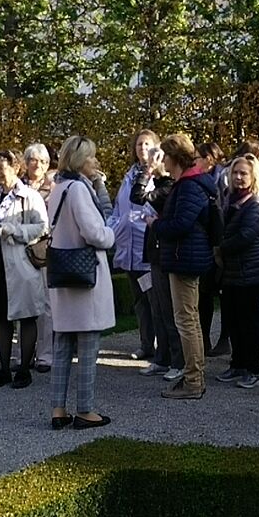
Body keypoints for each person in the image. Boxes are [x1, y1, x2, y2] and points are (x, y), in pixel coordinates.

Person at [48, 135, 117, 430]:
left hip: (64, 275)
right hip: (85, 276)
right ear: (79, 160)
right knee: (88, 346)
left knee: (63, 344)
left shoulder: (59, 188)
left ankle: (58, 408)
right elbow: (94, 233)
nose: (95, 161)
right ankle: (85, 409)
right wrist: (111, 234)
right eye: (91, 156)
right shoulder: (78, 189)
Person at [149, 133, 216, 400]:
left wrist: (156, 225)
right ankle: (193, 376)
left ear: (174, 157)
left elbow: (181, 225)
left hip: (185, 258)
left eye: (165, 155)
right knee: (190, 319)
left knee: (186, 320)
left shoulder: (189, 186)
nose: (162, 160)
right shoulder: (190, 183)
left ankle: (193, 380)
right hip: (186, 256)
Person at [0, 150, 49, 389]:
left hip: (22, 264)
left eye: (3, 167)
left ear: (16, 168)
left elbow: (42, 227)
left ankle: (24, 369)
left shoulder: (29, 196)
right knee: (2, 317)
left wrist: (15, 231)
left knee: (26, 316)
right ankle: (4, 369)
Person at [214, 155, 259, 389]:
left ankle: (253, 368)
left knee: (251, 324)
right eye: (235, 172)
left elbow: (245, 237)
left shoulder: (254, 205)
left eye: (243, 173)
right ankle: (237, 364)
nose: (238, 177)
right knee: (233, 322)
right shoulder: (229, 200)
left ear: (253, 177)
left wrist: (220, 247)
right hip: (233, 273)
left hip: (252, 272)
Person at [131, 147, 183, 382]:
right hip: (154, 252)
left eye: (161, 158)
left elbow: (138, 196)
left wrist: (148, 170)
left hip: (165, 254)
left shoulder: (170, 187)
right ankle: (162, 358)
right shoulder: (163, 184)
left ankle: (177, 361)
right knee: (159, 310)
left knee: (169, 311)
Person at [108, 129, 158, 364]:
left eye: (147, 144)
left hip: (146, 248)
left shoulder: (158, 176)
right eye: (139, 144)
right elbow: (119, 209)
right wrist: (114, 228)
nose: (142, 148)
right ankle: (146, 344)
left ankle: (161, 347)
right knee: (139, 301)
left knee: (154, 299)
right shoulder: (129, 175)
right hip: (128, 248)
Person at [24, 142, 55, 373]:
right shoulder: (18, 187)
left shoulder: (54, 188)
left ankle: (45, 355)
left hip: (44, 251)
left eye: (43, 161)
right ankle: (23, 353)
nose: (38, 165)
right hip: (20, 249)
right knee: (22, 303)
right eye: (33, 160)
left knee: (46, 304)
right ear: (26, 163)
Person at [195, 142, 229, 356]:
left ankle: (225, 339)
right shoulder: (200, 178)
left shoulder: (223, 177)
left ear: (209, 159)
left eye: (197, 157)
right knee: (204, 294)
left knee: (224, 294)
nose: (194, 162)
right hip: (207, 242)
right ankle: (204, 338)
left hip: (222, 240)